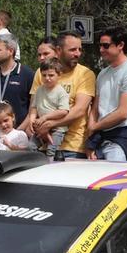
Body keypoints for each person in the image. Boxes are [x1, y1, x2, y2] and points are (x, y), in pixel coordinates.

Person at [34, 31, 95, 160]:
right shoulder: (43, 73)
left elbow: (79, 110)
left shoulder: (85, 74)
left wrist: (50, 124)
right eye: (72, 50)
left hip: (73, 148)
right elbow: (34, 107)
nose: (77, 53)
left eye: (79, 49)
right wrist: (35, 125)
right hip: (43, 144)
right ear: (58, 50)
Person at [87, 26, 127, 160]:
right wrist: (91, 131)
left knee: (116, 179)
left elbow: (123, 113)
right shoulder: (103, 73)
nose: (101, 50)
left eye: (106, 46)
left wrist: (95, 126)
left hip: (121, 136)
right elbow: (96, 107)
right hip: (99, 136)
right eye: (100, 45)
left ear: (120, 45)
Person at [0, 33, 35, 132]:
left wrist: (17, 133)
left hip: (19, 136)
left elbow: (33, 109)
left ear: (10, 51)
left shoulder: (27, 74)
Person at [27, 60, 69, 154]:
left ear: (59, 75)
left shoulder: (61, 92)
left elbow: (63, 111)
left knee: (51, 151)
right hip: (40, 126)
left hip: (57, 128)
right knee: (30, 147)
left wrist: (45, 117)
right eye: (44, 75)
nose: (47, 78)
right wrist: (31, 119)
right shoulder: (39, 90)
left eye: (51, 75)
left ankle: (51, 167)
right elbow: (34, 107)